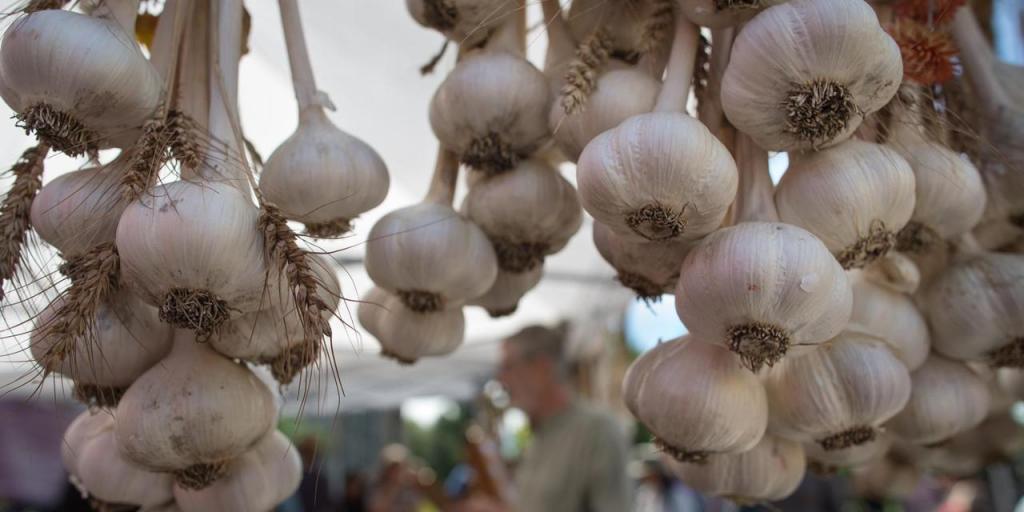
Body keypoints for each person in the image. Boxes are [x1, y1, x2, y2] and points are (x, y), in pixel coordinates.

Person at [459, 324, 632, 512]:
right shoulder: (538, 436)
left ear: (541, 369)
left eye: (508, 367)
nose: (501, 380)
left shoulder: (598, 430)